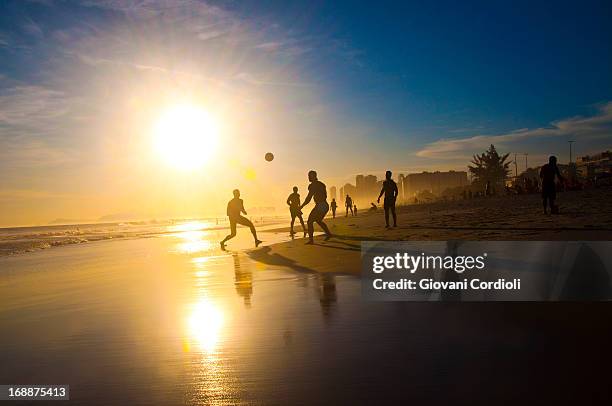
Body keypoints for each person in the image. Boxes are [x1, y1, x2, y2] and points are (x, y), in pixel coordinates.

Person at [300, 170, 332, 244]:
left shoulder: (313, 185)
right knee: (318, 220)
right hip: (325, 205)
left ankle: (311, 240)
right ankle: (329, 234)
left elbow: (308, 198)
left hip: (320, 205)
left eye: (309, 176)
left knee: (309, 221)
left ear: (313, 176)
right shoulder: (321, 184)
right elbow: (325, 195)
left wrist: (302, 206)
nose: (308, 178)